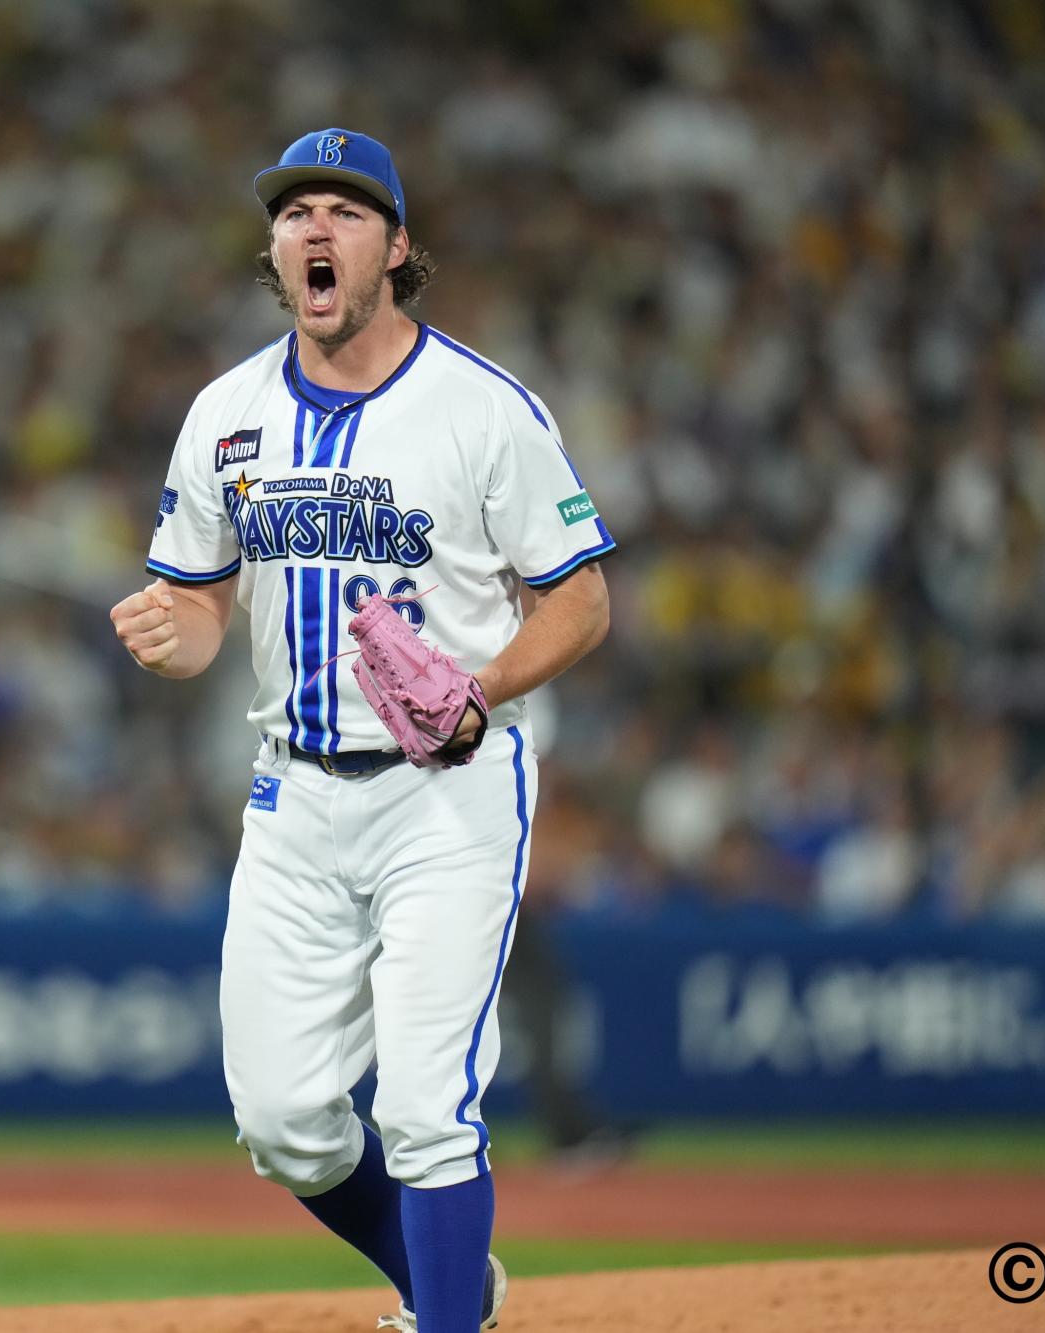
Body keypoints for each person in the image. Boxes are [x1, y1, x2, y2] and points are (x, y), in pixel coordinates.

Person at [110, 129, 614, 1332]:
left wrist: (480, 689)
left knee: (428, 1106)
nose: (314, 230)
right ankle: (448, 1287)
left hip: (445, 785)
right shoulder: (225, 413)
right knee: (282, 1122)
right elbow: (197, 596)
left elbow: (582, 599)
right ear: (275, 252)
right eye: (294, 214)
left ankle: (444, 1322)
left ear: (396, 247)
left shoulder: (480, 408)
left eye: (344, 210)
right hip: (292, 793)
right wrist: (175, 628)